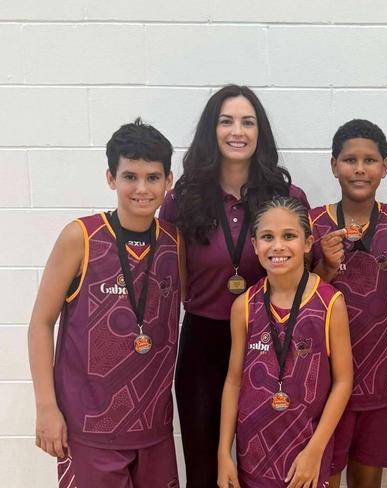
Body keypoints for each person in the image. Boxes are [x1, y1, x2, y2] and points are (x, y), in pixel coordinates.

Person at [159, 85, 310, 487]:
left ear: (260, 131)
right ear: (212, 130)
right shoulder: (183, 199)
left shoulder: (286, 197)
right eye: (226, 121)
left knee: (268, 460)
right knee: (207, 467)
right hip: (203, 344)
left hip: (270, 340)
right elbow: (172, 278)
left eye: (247, 121)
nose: (236, 131)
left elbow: (302, 280)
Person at [28, 119, 181, 487]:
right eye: (130, 177)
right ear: (111, 178)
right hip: (89, 428)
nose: (142, 188)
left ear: (168, 181)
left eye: (152, 177)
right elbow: (40, 324)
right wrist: (46, 408)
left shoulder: (175, 243)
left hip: (154, 429)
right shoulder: (80, 237)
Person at [309, 119, 387, 488]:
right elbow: (300, 303)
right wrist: (325, 267)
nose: (360, 168)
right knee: (324, 478)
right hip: (325, 381)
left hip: (381, 379)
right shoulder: (315, 224)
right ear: (334, 166)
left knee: (368, 483)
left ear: (385, 166)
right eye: (350, 160)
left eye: (370, 160)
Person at [217, 196, 353, 487]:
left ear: (307, 243)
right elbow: (234, 382)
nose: (277, 246)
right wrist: (223, 453)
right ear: (254, 245)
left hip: (306, 456)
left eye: (288, 236)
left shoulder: (330, 303)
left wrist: (315, 450)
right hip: (252, 454)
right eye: (268, 237)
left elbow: (343, 382)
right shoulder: (243, 306)